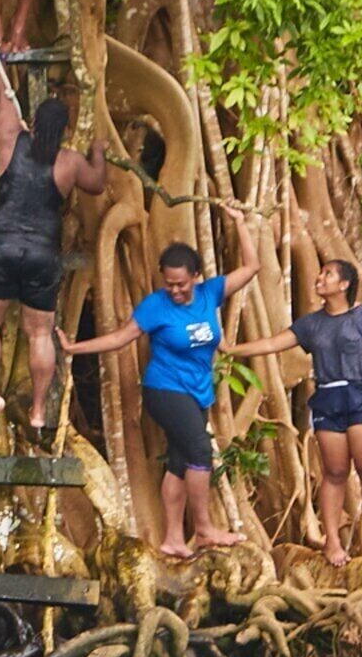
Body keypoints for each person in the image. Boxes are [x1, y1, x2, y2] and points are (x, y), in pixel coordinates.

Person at [70, 220, 262, 560]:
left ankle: (174, 538)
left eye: (181, 285)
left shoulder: (210, 293)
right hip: (164, 390)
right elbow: (120, 337)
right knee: (201, 453)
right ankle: (202, 529)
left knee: (179, 461)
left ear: (196, 277)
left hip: (198, 391)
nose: (174, 291)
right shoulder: (155, 306)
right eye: (169, 284)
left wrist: (239, 222)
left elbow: (252, 267)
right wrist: (75, 348)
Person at [0, 80, 111, 435]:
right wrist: (98, 152)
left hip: (2, 247)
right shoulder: (71, 163)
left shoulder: (11, 142)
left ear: (32, 120)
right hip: (43, 255)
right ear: (64, 130)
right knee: (39, 334)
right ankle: (38, 410)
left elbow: (1, 99)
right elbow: (97, 184)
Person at [231, 260, 362, 569]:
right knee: (334, 473)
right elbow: (272, 343)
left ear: (344, 284)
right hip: (328, 399)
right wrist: (231, 349)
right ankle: (331, 541)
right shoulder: (312, 324)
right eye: (320, 272)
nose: (320, 278)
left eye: (328, 274)